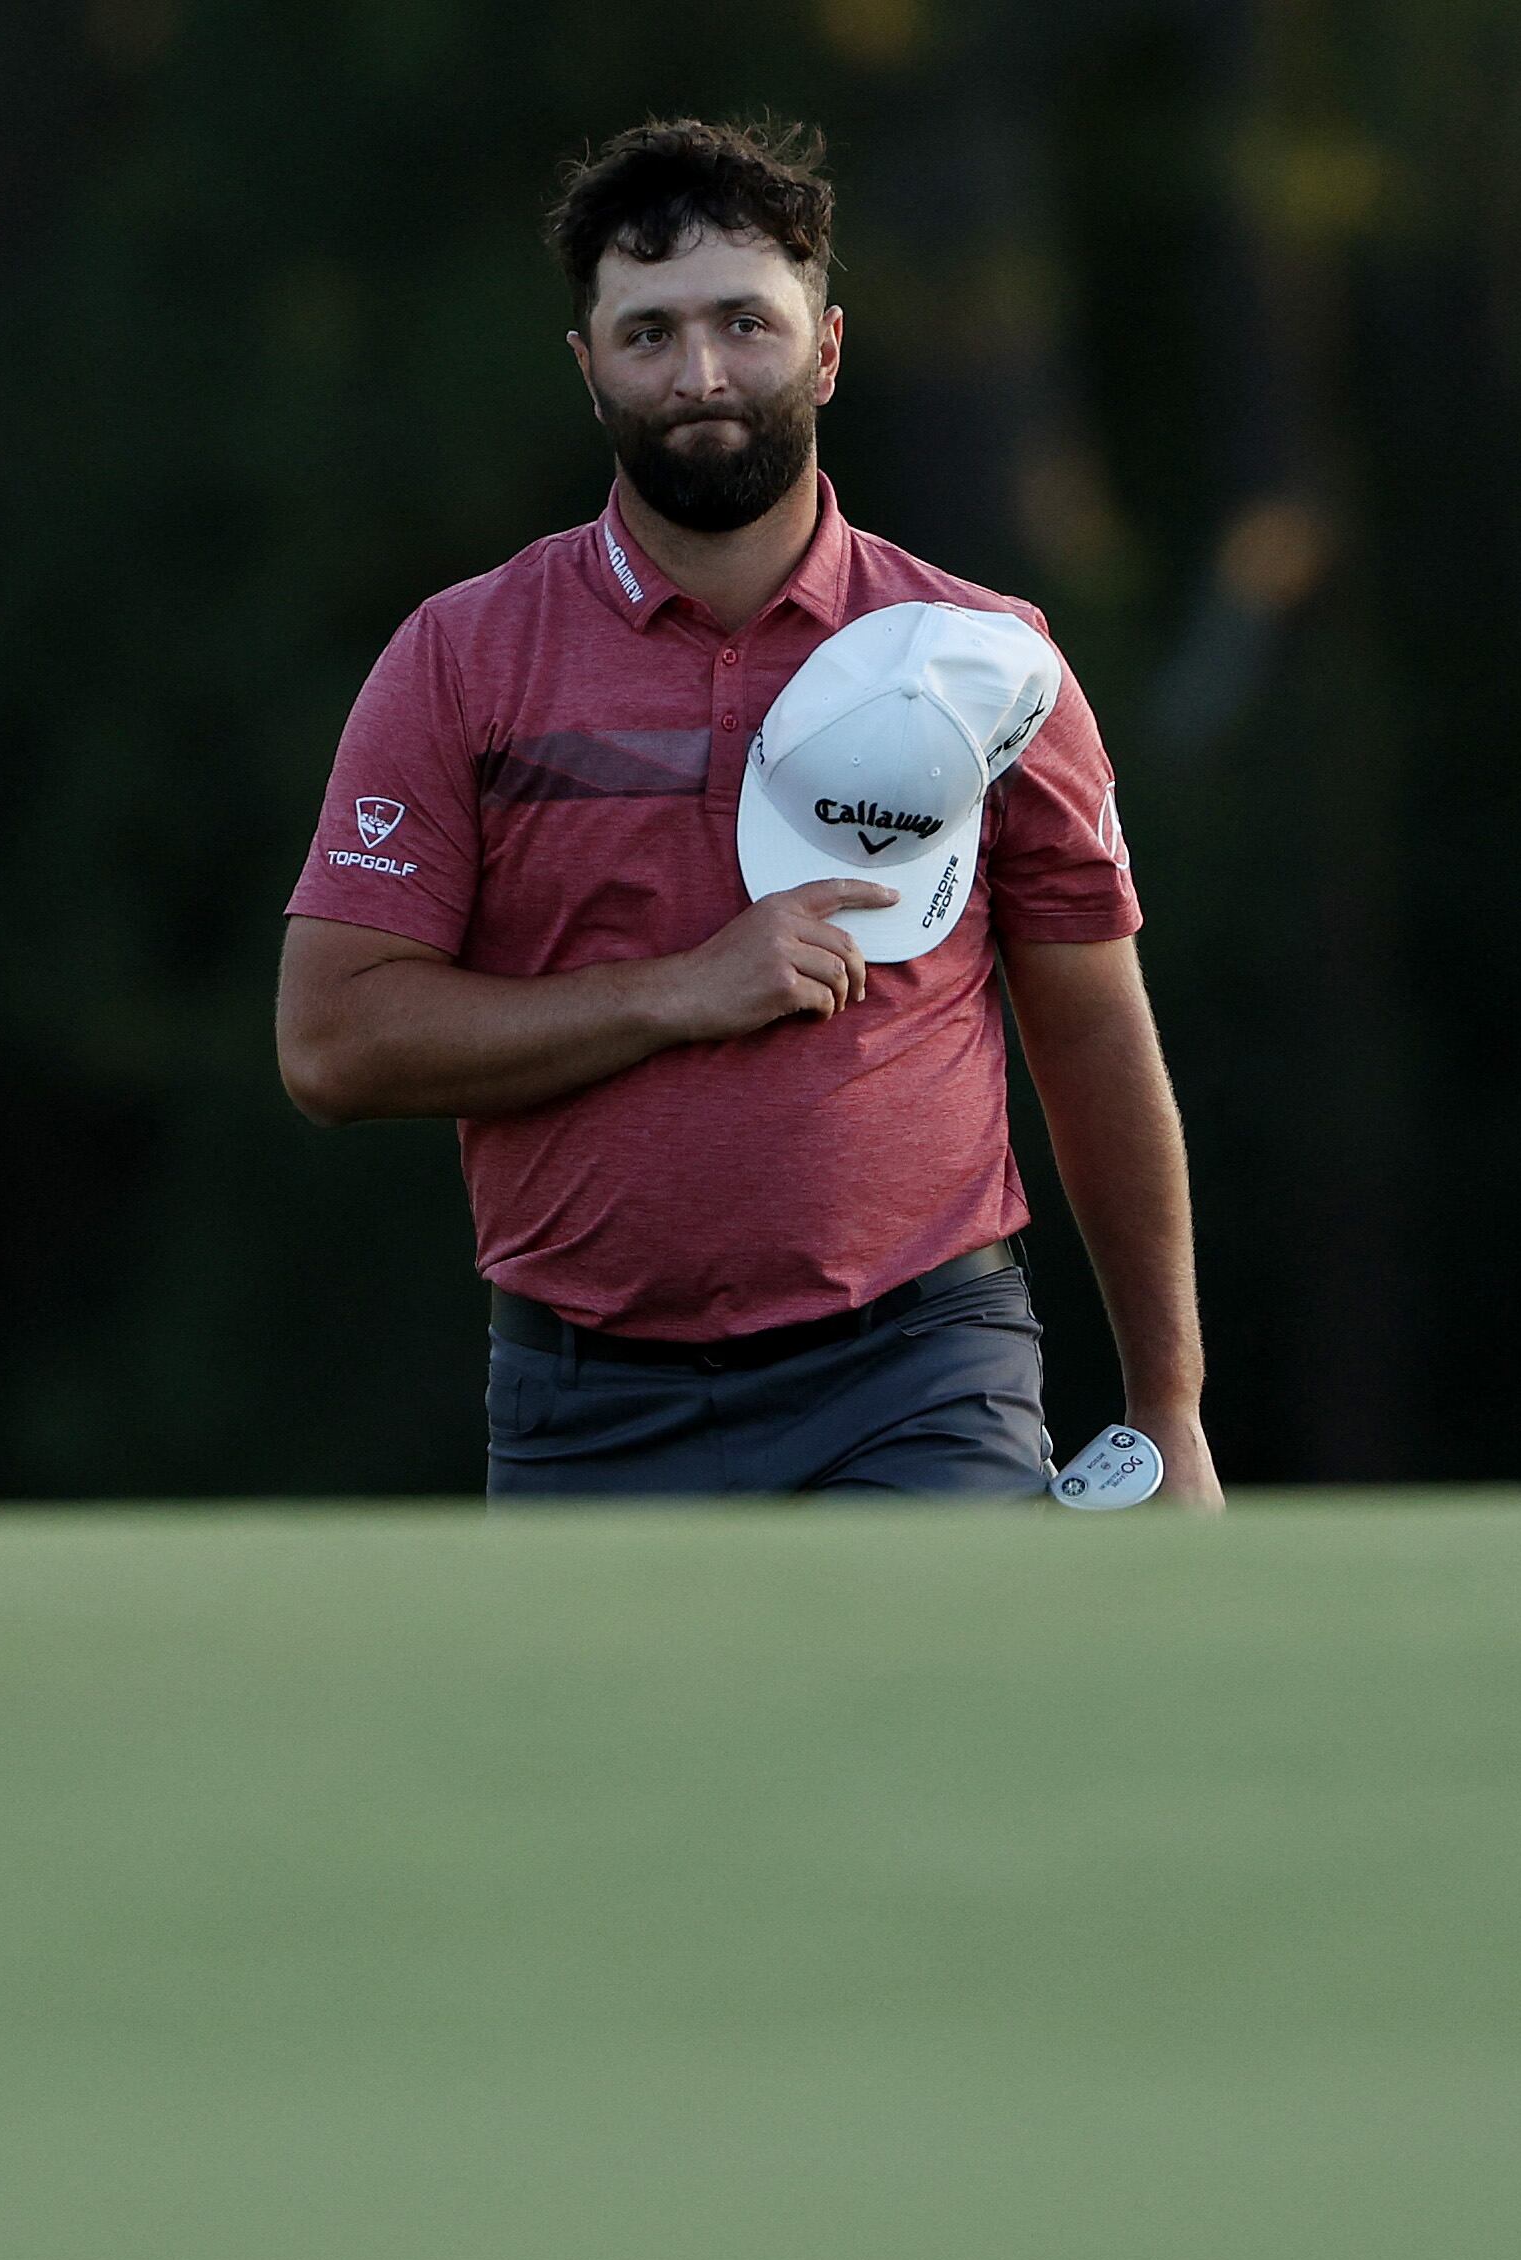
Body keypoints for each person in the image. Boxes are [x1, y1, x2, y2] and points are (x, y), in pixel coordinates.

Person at [274, 116, 1219, 1507]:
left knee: (910, 1731)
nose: (702, 372)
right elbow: (333, 1042)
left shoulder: (990, 663)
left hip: (921, 1372)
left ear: (826, 348)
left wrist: (1169, 1408)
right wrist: (677, 993)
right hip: (579, 1400)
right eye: (648, 334)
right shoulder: (461, 658)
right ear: (589, 369)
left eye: (744, 323)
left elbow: (1091, 1033)